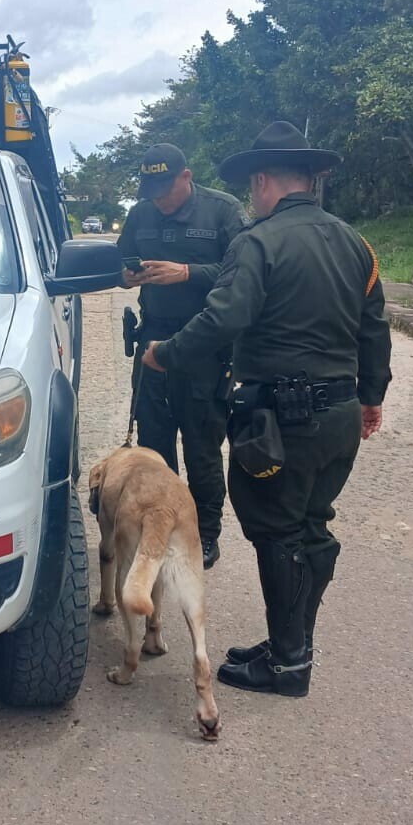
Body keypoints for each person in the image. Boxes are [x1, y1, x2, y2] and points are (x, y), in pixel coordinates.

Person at [141, 122, 392, 696]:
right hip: (339, 414)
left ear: (260, 181)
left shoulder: (258, 242)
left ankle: (288, 663)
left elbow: (223, 317)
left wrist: (165, 354)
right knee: (311, 527)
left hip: (280, 419)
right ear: (310, 178)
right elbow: (375, 327)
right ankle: (290, 644)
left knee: (278, 533)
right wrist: (372, 396)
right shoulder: (357, 244)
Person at [118, 143, 246, 570]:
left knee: (201, 445)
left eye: (165, 189)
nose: (158, 199)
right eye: (151, 191)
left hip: (204, 344)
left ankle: (205, 533)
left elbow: (244, 273)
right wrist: (127, 275)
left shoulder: (222, 212)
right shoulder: (141, 213)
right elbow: (119, 262)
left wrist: (188, 273)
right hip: (153, 339)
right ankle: (162, 526)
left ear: (186, 177)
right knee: (154, 446)